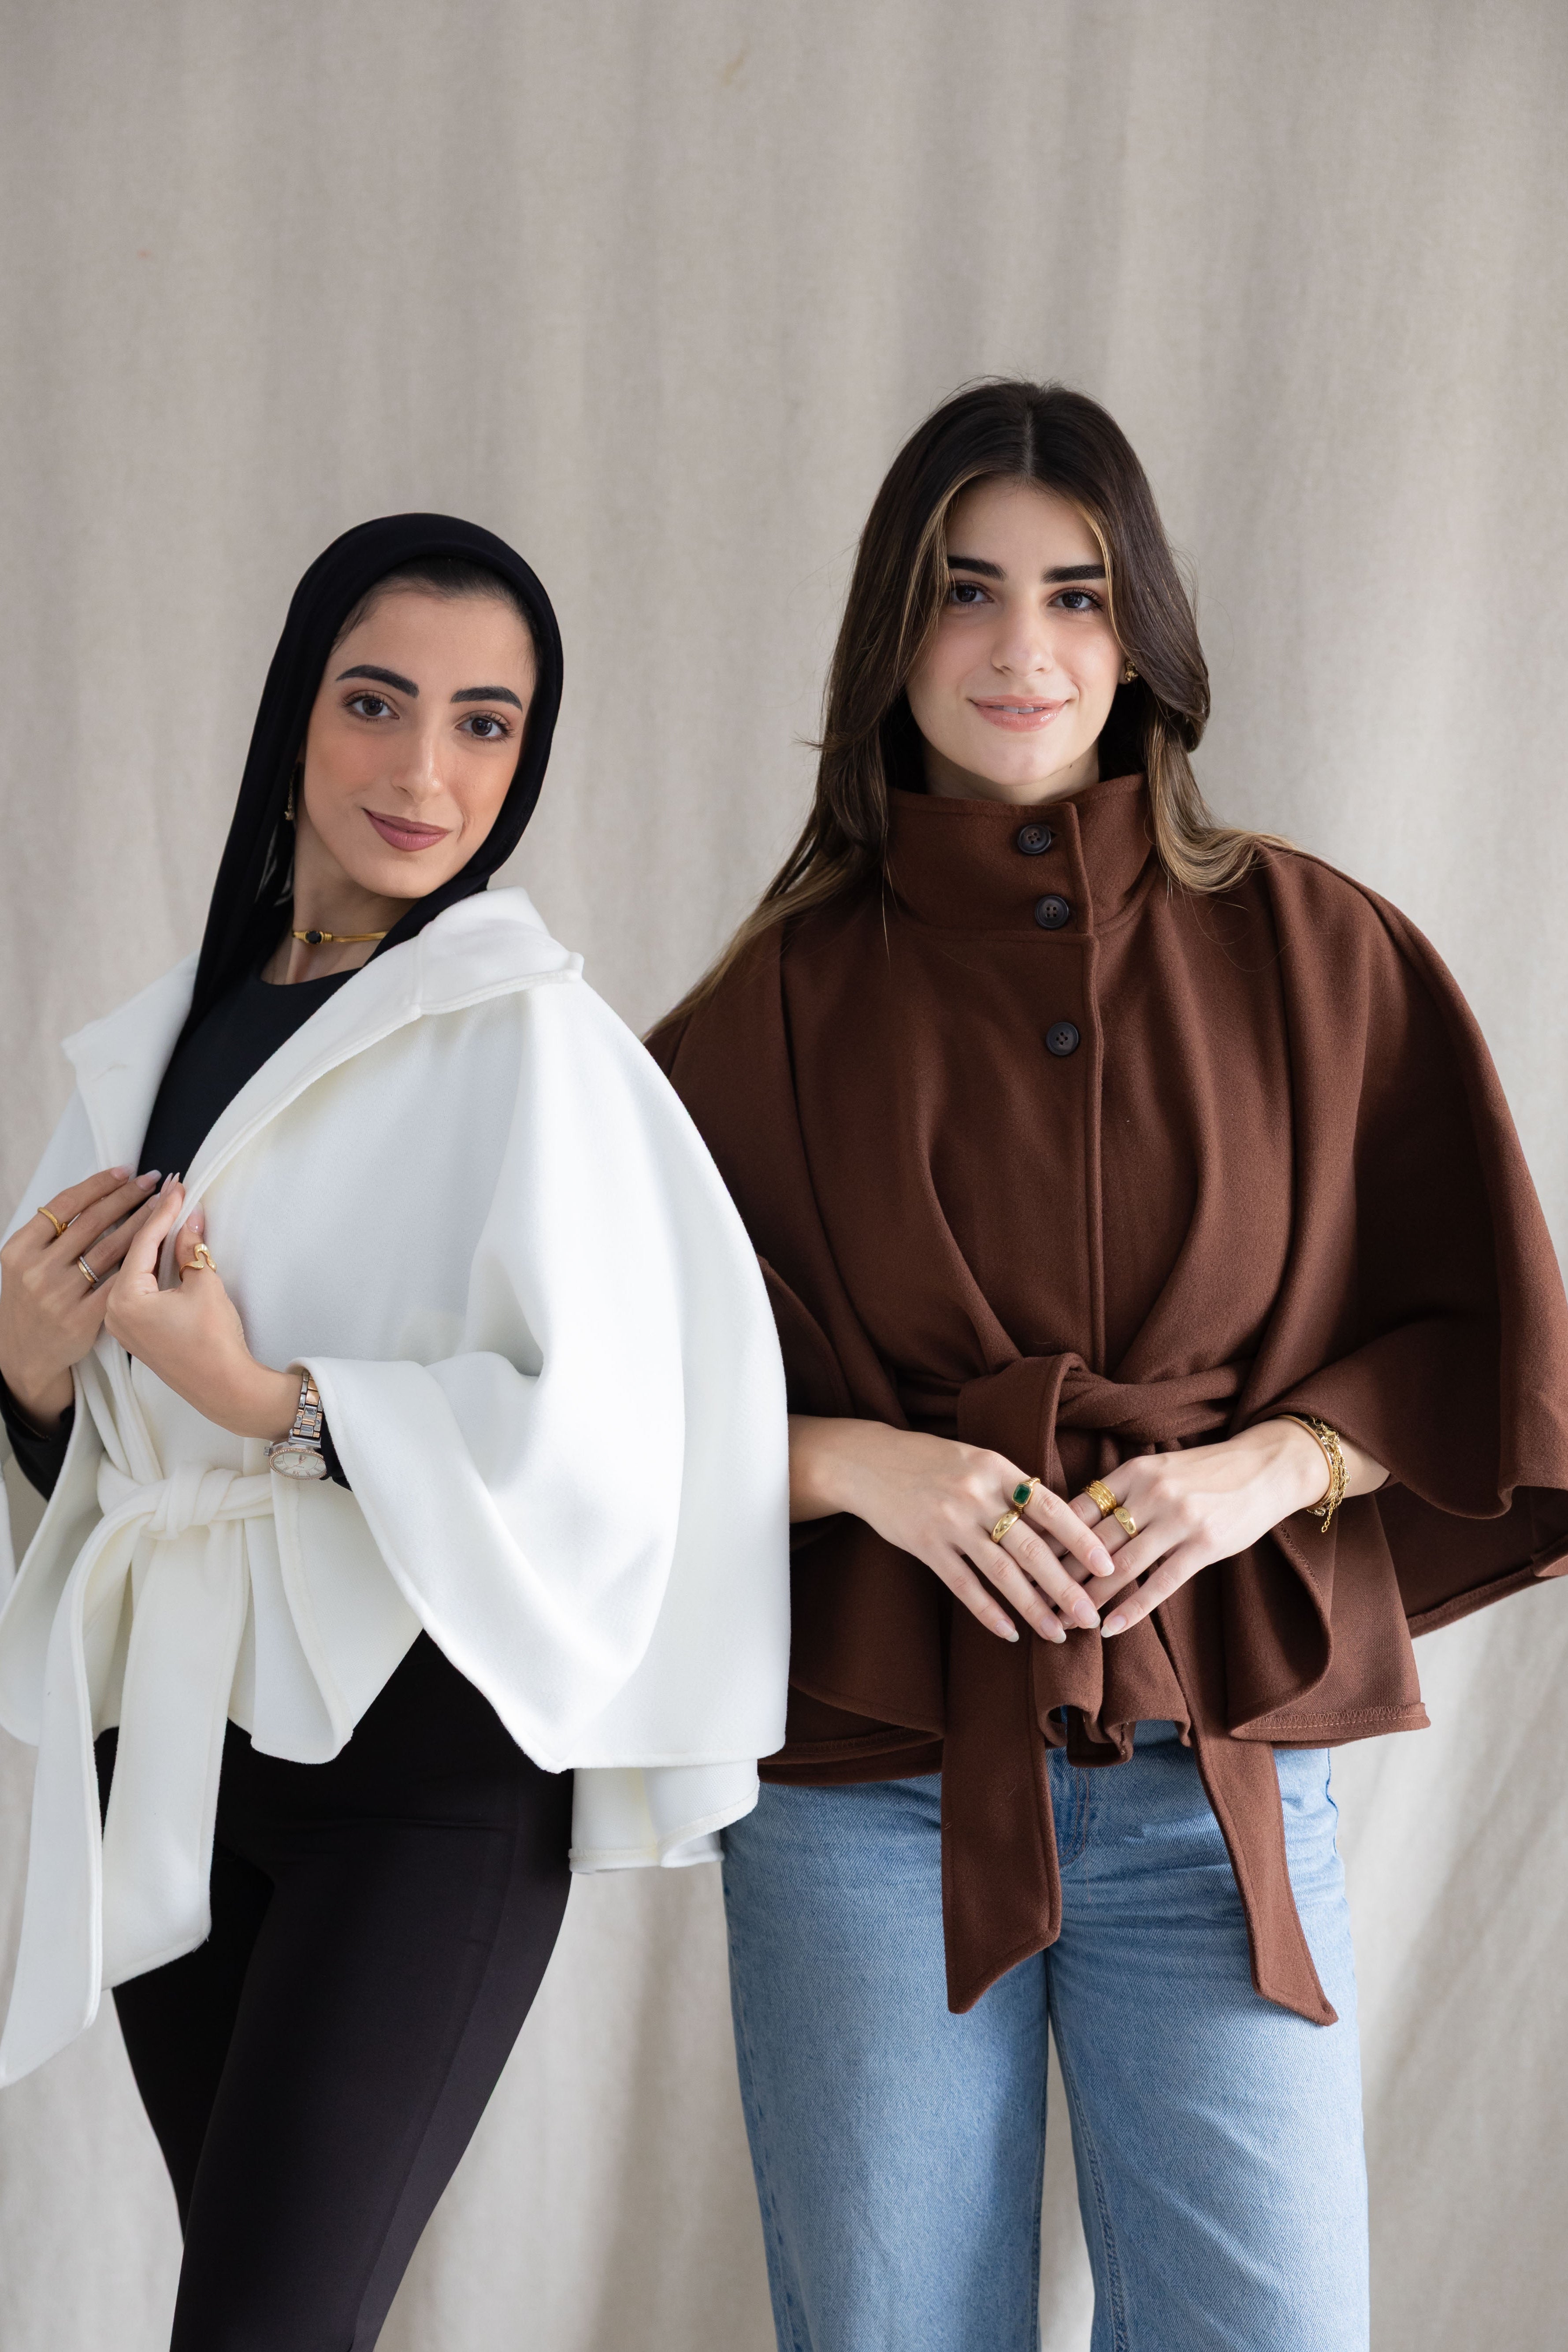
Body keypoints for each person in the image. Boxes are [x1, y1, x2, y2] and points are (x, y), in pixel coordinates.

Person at [648, 382, 1568, 2352]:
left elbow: (1485, 1336)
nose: (1024, 648)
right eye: (965, 590)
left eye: (1075, 593)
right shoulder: (766, 1007)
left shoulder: (1315, 952)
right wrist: (861, 1464)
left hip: (1209, 1767)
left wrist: (1270, 1467)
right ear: (892, 632)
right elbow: (595, 1410)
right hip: (863, 1794)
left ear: (1141, 629)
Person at [0, 514, 789, 2351]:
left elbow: (614, 1434)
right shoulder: (166, 1042)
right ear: (295, 714)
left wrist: (272, 1398)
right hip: (174, 1748)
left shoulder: (534, 1043)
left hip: (425, 1782)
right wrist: (30, 1376)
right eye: (375, 703)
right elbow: (101, 1462)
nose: (425, 771)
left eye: (483, 723)